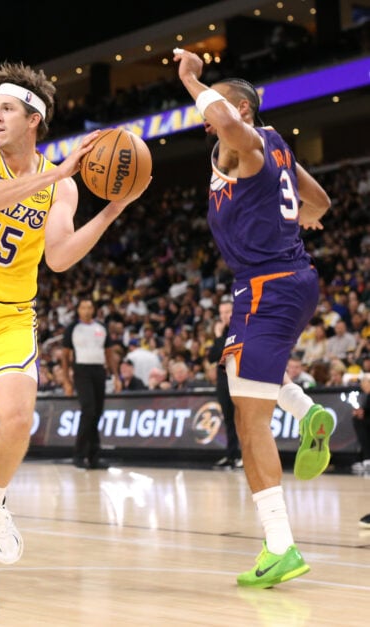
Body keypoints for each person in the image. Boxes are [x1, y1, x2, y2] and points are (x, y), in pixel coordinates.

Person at [0, 60, 140, 610]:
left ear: (34, 119)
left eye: (7, 109)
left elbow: (62, 257)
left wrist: (112, 209)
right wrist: (60, 172)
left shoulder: (60, 188)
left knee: (20, 420)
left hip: (14, 312)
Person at [175, 47, 336, 588]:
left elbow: (221, 117)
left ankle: (280, 546)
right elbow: (320, 202)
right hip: (281, 282)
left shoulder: (244, 141)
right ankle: (310, 411)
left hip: (269, 285)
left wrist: (193, 81)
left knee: (250, 422)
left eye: (219, 109)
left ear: (241, 110)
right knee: (234, 367)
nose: (207, 120)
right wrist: (292, 218)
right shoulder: (272, 148)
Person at [62, 298, 112, 470]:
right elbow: (65, 356)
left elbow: (109, 351)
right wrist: (66, 381)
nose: (86, 310)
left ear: (94, 309)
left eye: (89, 307)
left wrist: (116, 375)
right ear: (78, 310)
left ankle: (94, 457)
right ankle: (79, 454)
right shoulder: (72, 329)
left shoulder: (102, 328)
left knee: (97, 413)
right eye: (83, 307)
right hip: (81, 371)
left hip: (99, 370)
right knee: (88, 410)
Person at [207, 299, 241, 469]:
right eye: (221, 313)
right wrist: (218, 337)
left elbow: (229, 352)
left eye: (227, 312)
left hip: (240, 381)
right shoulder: (222, 333)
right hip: (223, 381)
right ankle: (231, 455)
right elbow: (212, 356)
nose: (224, 316)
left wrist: (220, 337)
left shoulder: (241, 328)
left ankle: (243, 455)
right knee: (228, 419)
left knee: (241, 420)